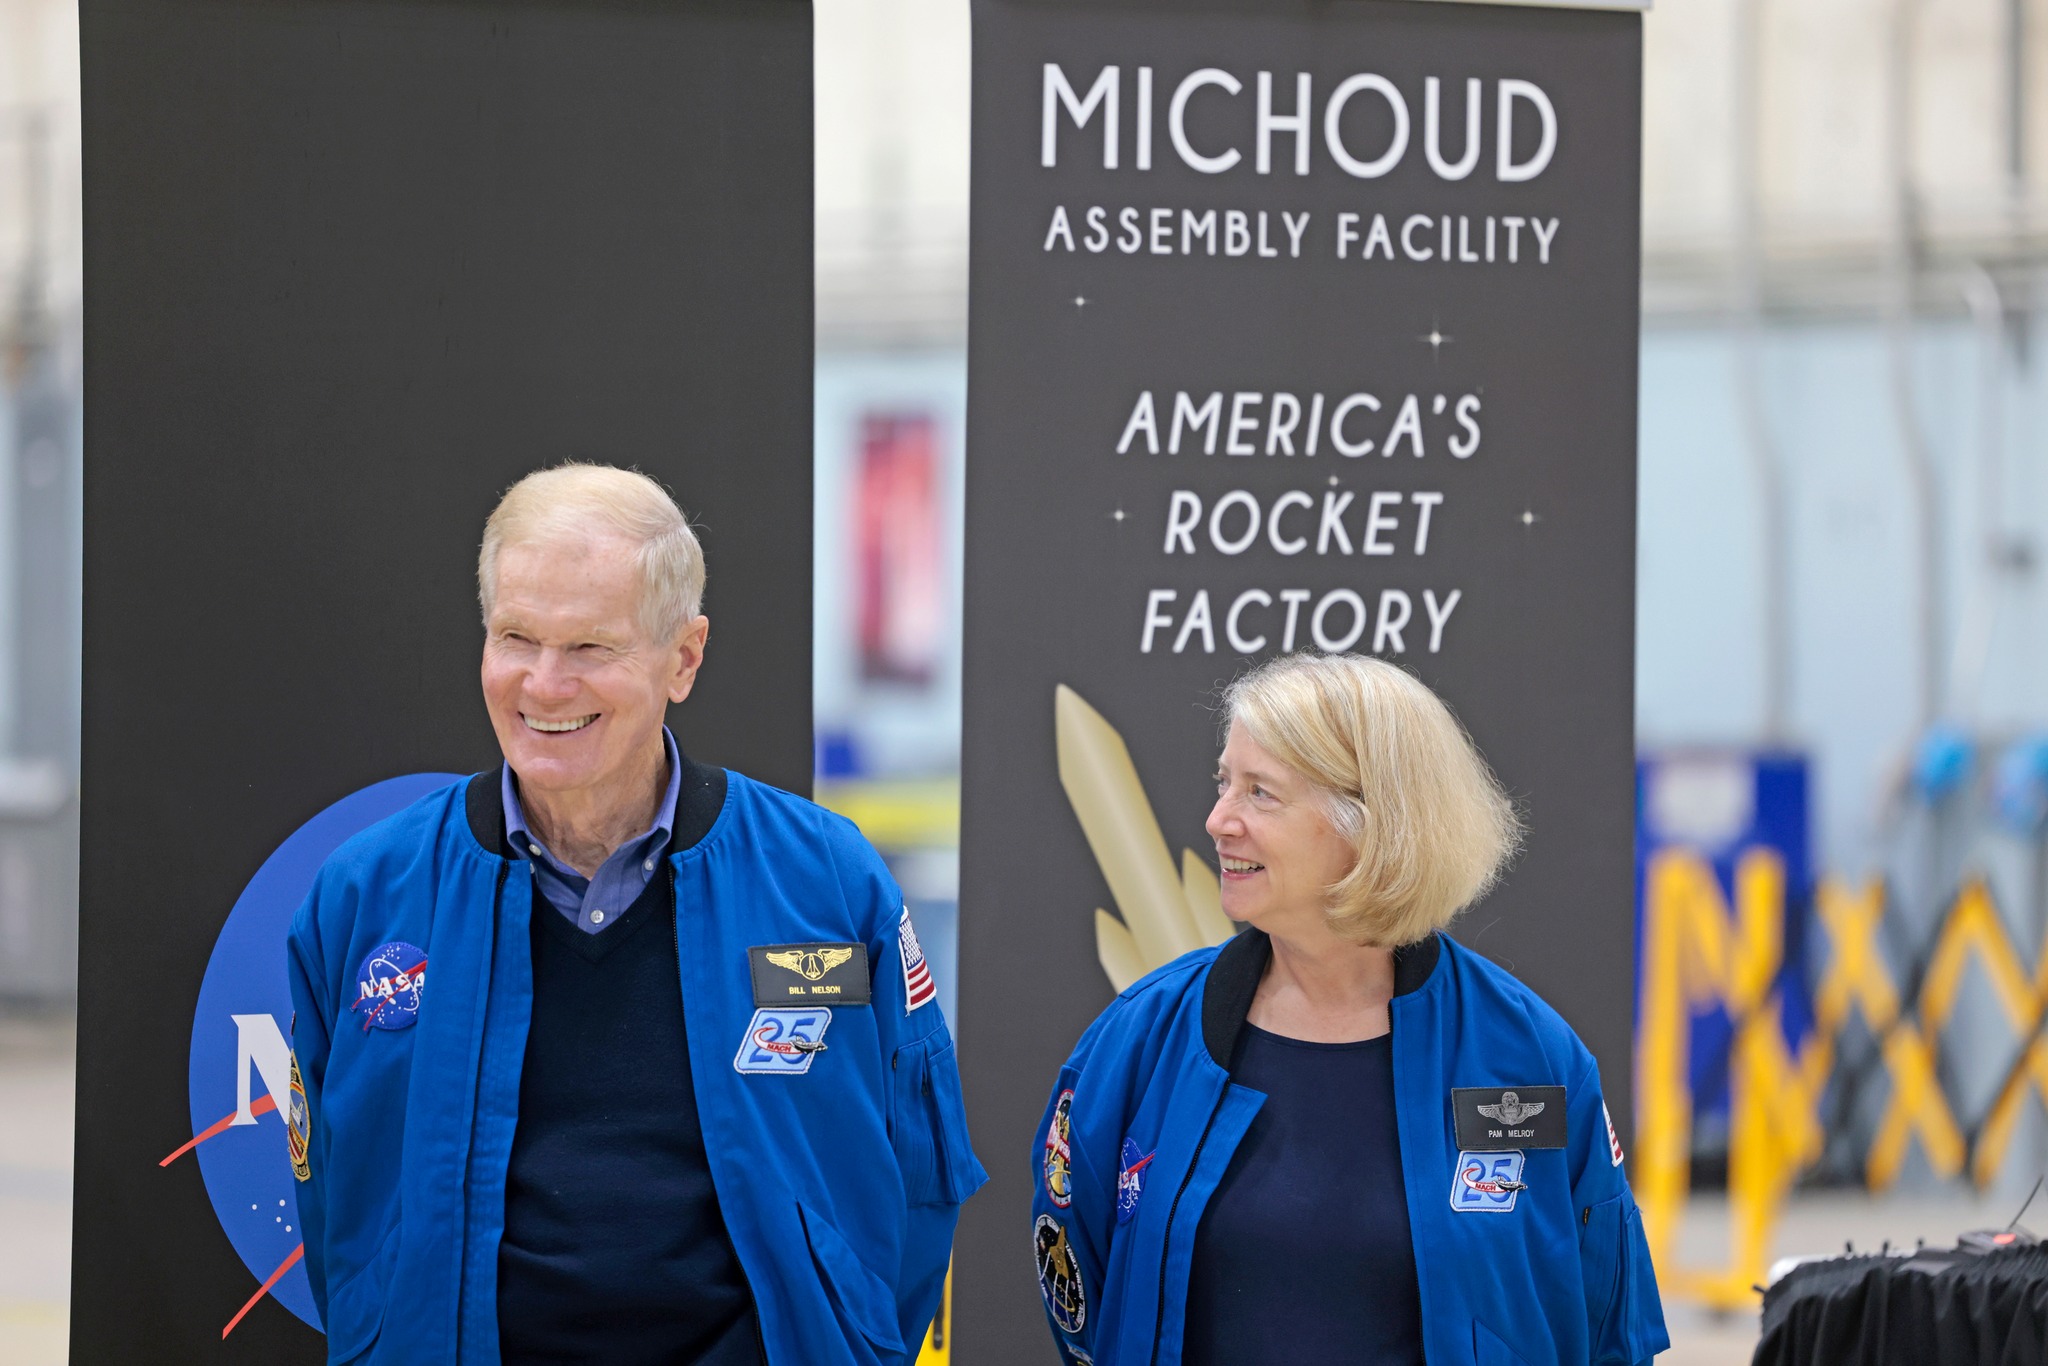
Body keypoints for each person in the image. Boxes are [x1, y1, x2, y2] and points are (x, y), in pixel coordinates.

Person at [288, 463, 984, 1366]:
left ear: (683, 658)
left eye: (589, 649)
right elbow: (328, 1190)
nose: (543, 685)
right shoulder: (365, 895)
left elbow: (921, 1172)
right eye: (516, 638)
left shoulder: (826, 880)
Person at [1030, 652, 1667, 1366]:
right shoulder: (1141, 1040)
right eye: (1223, 783)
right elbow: (1076, 1282)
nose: (1217, 820)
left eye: (1260, 794)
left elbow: (1609, 1321)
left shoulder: (1529, 1055)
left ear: (1369, 826)